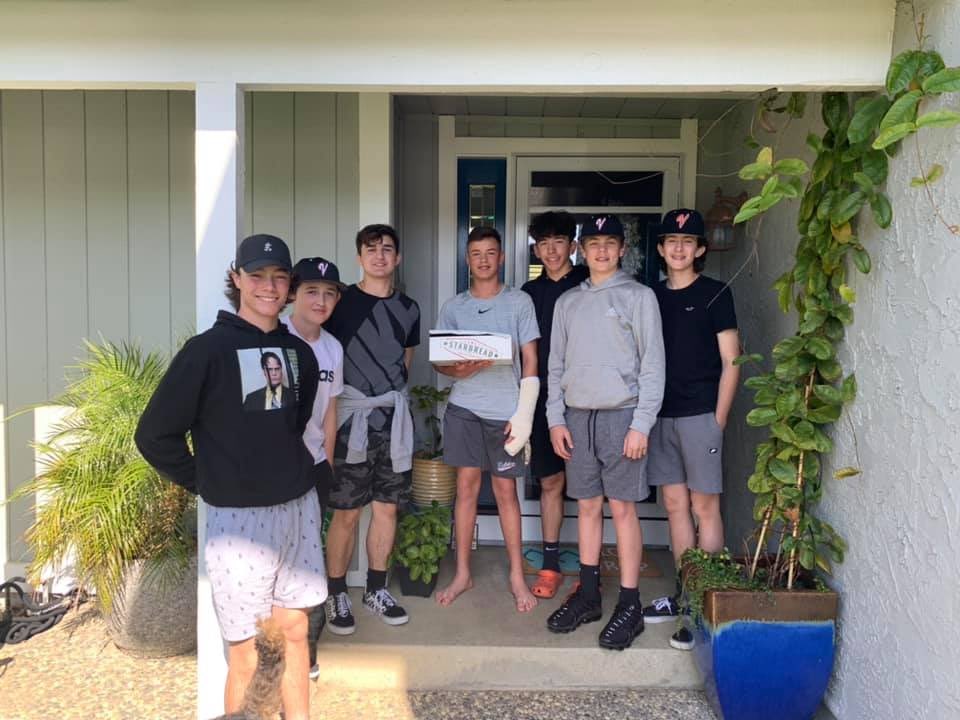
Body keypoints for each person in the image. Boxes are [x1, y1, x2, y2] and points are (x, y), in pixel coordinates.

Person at [135, 233, 323, 720]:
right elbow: (155, 435)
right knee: (247, 652)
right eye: (257, 276)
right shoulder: (206, 351)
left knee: (296, 633)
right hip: (238, 524)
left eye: (279, 277)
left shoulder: (298, 353)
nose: (268, 286)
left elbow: (294, 423)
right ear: (237, 279)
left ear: (289, 285)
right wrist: (208, 480)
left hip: (297, 508)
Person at [545, 214, 665, 650]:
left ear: (620, 249)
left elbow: (653, 365)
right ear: (581, 250)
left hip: (622, 416)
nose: (600, 251)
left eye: (609, 243)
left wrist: (641, 424)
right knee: (588, 507)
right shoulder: (567, 303)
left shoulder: (639, 297)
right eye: (592, 243)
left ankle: (629, 603)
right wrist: (555, 418)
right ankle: (590, 594)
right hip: (578, 416)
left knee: (623, 509)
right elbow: (554, 364)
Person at [642, 208, 740, 652]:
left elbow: (731, 362)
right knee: (675, 506)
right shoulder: (650, 297)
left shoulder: (716, 294)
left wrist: (718, 420)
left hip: (701, 415)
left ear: (700, 249)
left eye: (688, 242)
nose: (679, 248)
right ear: (661, 250)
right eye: (670, 241)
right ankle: (685, 597)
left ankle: (707, 603)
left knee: (705, 507)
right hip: (661, 415)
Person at [433, 225, 541, 612]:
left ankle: (516, 575)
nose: (483, 259)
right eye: (476, 253)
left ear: (501, 257)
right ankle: (462, 572)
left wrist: (524, 412)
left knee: (506, 492)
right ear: (467, 259)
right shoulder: (454, 306)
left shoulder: (519, 303)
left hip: (506, 412)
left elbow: (531, 358)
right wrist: (458, 372)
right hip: (464, 408)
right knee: (464, 490)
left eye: (490, 252)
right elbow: (444, 363)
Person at [322, 224, 420, 635]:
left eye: (388, 249)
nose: (380, 255)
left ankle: (376, 589)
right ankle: (336, 593)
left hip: (391, 422)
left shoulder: (409, 308)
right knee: (345, 512)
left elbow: (406, 362)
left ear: (397, 258)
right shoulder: (340, 303)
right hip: (349, 422)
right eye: (371, 249)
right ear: (359, 257)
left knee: (387, 508)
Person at [281, 256, 346, 678]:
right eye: (311, 292)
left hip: (316, 465)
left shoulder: (332, 347)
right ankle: (274, 648)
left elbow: (330, 410)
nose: (320, 301)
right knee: (279, 557)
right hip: (278, 465)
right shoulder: (275, 338)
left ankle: (305, 649)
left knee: (307, 560)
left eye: (328, 294)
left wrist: (330, 462)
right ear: (293, 294)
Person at [520, 211, 589, 600]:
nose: (551, 250)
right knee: (550, 481)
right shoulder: (528, 295)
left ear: (573, 246)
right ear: (535, 249)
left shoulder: (589, 285)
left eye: (558, 241)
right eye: (543, 243)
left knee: (588, 486)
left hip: (584, 399)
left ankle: (589, 566)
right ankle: (550, 562)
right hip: (544, 398)